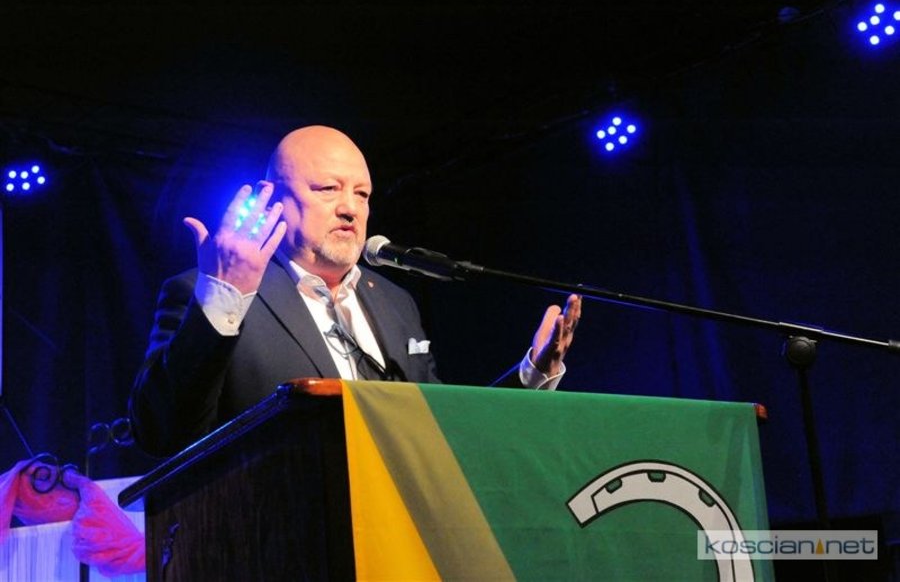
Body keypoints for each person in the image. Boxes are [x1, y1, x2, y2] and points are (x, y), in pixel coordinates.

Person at [129, 125, 582, 457]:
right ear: (274, 198)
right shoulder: (204, 293)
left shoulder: (394, 302)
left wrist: (531, 374)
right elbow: (160, 434)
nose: (350, 208)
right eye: (328, 189)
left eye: (362, 194)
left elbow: (442, 428)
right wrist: (224, 297)